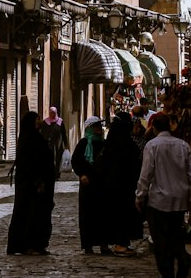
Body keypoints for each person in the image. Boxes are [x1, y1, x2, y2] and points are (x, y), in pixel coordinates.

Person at [135, 112, 191, 278]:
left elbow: (146, 173)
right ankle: (182, 257)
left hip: (159, 200)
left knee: (161, 238)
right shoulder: (183, 146)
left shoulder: (152, 145)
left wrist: (140, 195)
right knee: (176, 233)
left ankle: (167, 273)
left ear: (154, 128)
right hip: (179, 198)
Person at [7, 109, 58, 255]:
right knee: (29, 215)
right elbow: (27, 164)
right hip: (31, 187)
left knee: (40, 215)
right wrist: (37, 182)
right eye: (37, 119)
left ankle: (38, 245)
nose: (39, 121)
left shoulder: (37, 137)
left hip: (41, 185)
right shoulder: (28, 139)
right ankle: (27, 245)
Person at [96, 110, 143, 254]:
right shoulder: (126, 145)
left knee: (112, 214)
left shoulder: (109, 144)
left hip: (109, 186)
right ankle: (120, 244)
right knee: (122, 215)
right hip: (123, 187)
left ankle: (111, 243)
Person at [71, 115, 107, 254]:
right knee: (88, 215)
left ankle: (104, 244)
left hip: (101, 184)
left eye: (100, 126)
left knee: (103, 215)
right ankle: (88, 245)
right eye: (96, 126)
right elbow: (76, 161)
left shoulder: (104, 144)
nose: (99, 128)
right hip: (88, 185)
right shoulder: (84, 143)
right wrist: (82, 174)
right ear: (90, 128)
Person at [40, 105, 68, 173]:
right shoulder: (45, 122)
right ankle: (50, 172)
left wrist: (65, 143)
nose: (52, 114)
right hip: (49, 142)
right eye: (51, 113)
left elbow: (63, 133)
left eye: (54, 113)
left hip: (58, 142)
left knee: (58, 157)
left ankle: (57, 173)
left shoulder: (60, 121)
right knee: (50, 158)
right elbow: (42, 133)